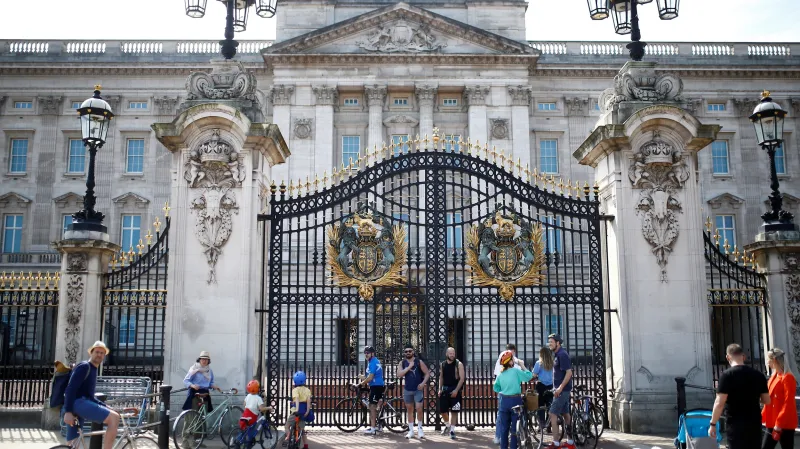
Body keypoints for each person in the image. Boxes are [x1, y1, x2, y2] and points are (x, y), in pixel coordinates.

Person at [708, 343, 770, 449]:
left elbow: (719, 403)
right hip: (754, 421)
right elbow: (767, 400)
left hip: (735, 422)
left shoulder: (726, 376)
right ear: (744, 356)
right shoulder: (758, 375)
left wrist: (713, 424)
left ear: (728, 357)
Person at [63, 341, 120, 449]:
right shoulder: (84, 367)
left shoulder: (93, 370)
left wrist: (105, 406)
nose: (99, 355)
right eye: (97, 352)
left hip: (79, 404)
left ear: (104, 356)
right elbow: (70, 389)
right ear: (91, 353)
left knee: (73, 444)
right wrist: (68, 411)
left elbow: (90, 396)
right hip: (77, 404)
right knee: (114, 418)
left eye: (102, 353)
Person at [493, 350, 533, 449]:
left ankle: (503, 447)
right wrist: (523, 366)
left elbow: (496, 388)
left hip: (504, 401)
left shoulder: (500, 374)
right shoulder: (515, 371)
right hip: (515, 400)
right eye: (512, 360)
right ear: (510, 362)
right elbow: (529, 376)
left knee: (504, 428)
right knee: (514, 428)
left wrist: (504, 389)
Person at [761, 348, 796, 449]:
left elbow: (788, 403)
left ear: (774, 360)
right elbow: (768, 401)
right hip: (772, 422)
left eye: (768, 359)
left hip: (784, 424)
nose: (767, 362)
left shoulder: (788, 378)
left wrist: (779, 423)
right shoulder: (773, 377)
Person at [397, 344, 430, 439]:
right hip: (407, 389)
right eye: (406, 351)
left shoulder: (419, 362)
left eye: (410, 351)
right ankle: (411, 430)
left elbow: (427, 373)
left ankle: (420, 428)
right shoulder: (402, 363)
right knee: (409, 410)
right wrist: (408, 367)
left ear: (413, 352)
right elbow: (399, 374)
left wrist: (423, 383)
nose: (408, 353)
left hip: (417, 389)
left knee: (419, 408)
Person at [547, 334, 574, 449]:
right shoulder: (557, 354)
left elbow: (569, 372)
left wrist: (560, 388)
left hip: (562, 391)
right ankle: (570, 442)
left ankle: (556, 443)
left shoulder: (562, 355)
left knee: (552, 413)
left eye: (551, 342)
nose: (550, 344)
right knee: (565, 413)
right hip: (561, 390)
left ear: (558, 343)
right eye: (549, 342)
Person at [494, 343, 522, 444]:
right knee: (515, 420)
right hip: (513, 394)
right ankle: (514, 441)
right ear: (514, 350)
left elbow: (496, 380)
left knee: (501, 417)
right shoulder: (513, 360)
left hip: (502, 392)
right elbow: (524, 375)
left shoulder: (500, 359)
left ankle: (499, 437)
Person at [356, 346, 384, 435]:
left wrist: (360, 384)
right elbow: (369, 377)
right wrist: (362, 377)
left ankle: (373, 429)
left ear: (372, 353)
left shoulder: (373, 362)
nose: (366, 354)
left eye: (367, 353)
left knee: (372, 407)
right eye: (365, 353)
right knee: (374, 406)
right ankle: (379, 425)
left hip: (376, 386)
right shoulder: (372, 362)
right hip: (375, 386)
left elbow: (370, 378)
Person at [439, 347, 465, 440]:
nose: (452, 355)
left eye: (453, 353)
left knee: (454, 411)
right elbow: (441, 377)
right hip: (445, 389)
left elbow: (462, 379)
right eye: (450, 353)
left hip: (455, 389)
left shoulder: (459, 364)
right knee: (442, 410)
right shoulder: (443, 364)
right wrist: (439, 389)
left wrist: (456, 390)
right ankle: (448, 425)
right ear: (447, 354)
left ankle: (452, 431)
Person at [283, 371, 313, 449]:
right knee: (302, 430)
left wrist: (297, 409)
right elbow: (308, 401)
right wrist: (307, 411)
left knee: (287, 426)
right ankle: (306, 446)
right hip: (303, 412)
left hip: (296, 412)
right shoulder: (307, 390)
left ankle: (288, 437)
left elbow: (296, 399)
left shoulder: (295, 390)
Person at [533, 347, 554, 427]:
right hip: (550, 386)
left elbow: (534, 375)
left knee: (540, 406)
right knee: (550, 406)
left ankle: (541, 425)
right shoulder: (553, 363)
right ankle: (549, 425)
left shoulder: (539, 363)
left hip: (541, 386)